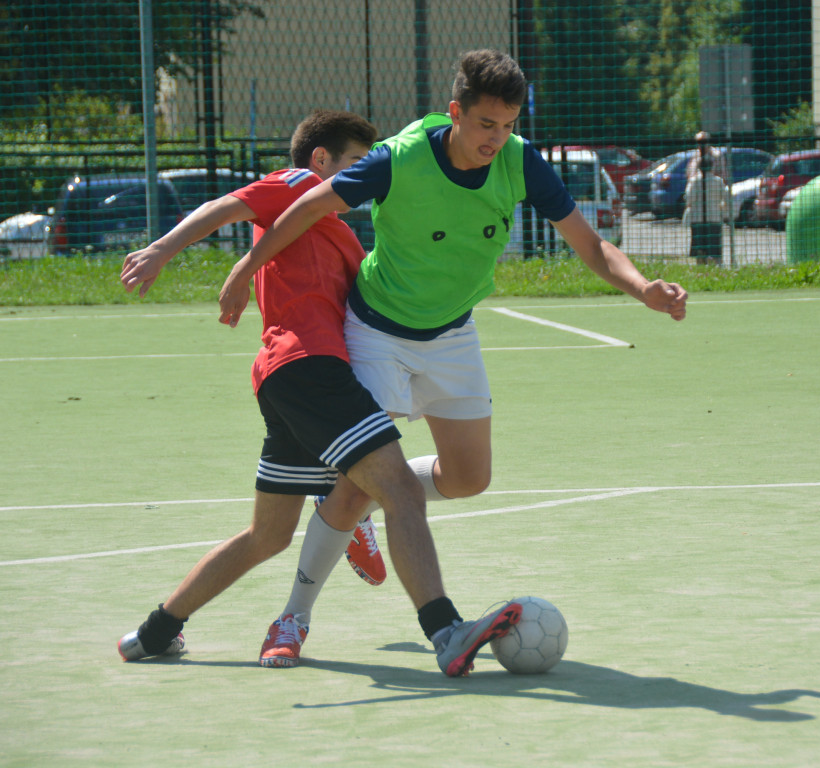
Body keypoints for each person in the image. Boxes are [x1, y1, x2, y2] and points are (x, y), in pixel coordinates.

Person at [218, 49, 689, 668]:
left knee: (470, 477)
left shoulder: (520, 163)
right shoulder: (399, 159)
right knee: (364, 491)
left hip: (452, 333)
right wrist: (245, 266)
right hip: (376, 331)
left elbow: (590, 244)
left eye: (509, 125)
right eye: (486, 124)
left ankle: (359, 486)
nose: (498, 138)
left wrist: (643, 288)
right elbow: (307, 207)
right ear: (456, 113)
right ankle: (292, 618)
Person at [117, 109, 523, 678]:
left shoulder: (342, 238)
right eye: (357, 161)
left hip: (287, 379)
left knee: (268, 535)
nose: (367, 172)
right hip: (311, 371)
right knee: (400, 490)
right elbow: (219, 208)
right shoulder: (297, 186)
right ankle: (445, 631)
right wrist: (161, 250)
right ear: (320, 161)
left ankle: (153, 633)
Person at [685, 133, 728, 265]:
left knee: (714, 246)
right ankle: (702, 269)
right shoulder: (694, 156)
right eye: (698, 141)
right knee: (700, 248)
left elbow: (724, 176)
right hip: (699, 206)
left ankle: (715, 268)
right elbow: (689, 174)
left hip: (711, 201)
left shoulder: (717, 156)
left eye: (703, 141)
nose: (701, 144)